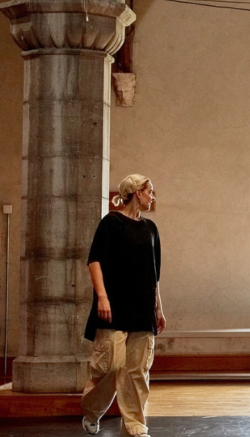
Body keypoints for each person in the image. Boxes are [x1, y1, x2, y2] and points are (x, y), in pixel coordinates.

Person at [81, 174, 166, 437]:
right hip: (114, 306)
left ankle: (134, 424)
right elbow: (94, 261)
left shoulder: (151, 228)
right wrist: (102, 297)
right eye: (149, 191)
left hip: (142, 308)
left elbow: (155, 275)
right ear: (136, 193)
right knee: (112, 365)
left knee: (137, 370)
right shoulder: (111, 222)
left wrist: (159, 308)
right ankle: (93, 411)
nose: (153, 197)